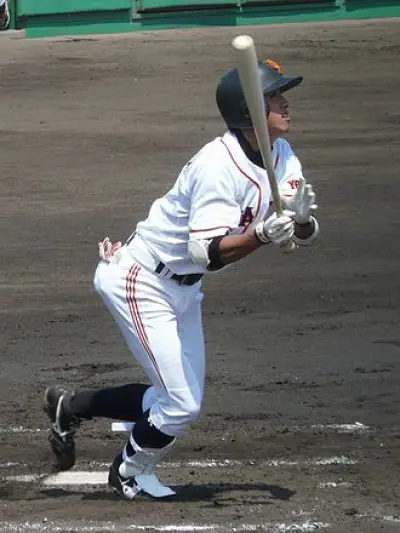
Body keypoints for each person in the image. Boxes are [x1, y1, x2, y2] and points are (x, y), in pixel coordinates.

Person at [44, 57, 319, 500]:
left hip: (184, 289)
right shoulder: (217, 166)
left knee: (174, 398)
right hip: (141, 280)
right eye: (274, 96)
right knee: (180, 404)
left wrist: (301, 222)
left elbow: (298, 228)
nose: (286, 103)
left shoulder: (281, 153)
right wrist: (262, 235)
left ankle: (70, 405)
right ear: (249, 111)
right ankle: (128, 471)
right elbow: (206, 253)